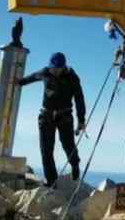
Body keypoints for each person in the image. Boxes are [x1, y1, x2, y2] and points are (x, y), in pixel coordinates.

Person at [17, 52, 86, 187]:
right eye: (52, 68)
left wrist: (81, 120)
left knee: (68, 144)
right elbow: (32, 77)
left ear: (63, 67)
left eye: (57, 69)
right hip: (46, 115)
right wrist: (20, 82)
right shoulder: (45, 72)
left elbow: (79, 100)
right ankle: (51, 181)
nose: (53, 71)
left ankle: (75, 164)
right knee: (46, 150)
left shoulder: (72, 78)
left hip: (65, 115)